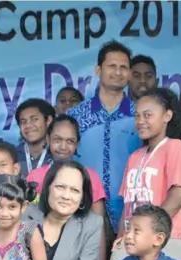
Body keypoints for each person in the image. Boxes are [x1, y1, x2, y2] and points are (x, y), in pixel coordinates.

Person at [67, 40, 140, 231]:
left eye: (123, 67)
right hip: (85, 208)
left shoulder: (140, 115)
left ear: (130, 74)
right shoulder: (76, 115)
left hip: (131, 211)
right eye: (112, 66)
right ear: (98, 70)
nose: (118, 72)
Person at [116, 88, 181, 241]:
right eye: (137, 116)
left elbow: (176, 199)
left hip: (163, 240)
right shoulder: (134, 157)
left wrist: (147, 231)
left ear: (167, 116)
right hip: (134, 242)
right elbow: (127, 207)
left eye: (147, 115)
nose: (140, 121)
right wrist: (119, 242)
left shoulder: (175, 147)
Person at [26, 114, 107, 215]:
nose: (63, 147)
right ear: (48, 139)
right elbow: (27, 219)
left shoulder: (90, 176)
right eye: (57, 140)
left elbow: (99, 223)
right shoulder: (35, 177)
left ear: (77, 144)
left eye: (70, 141)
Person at [15, 98, 55, 177]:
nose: (28, 125)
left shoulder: (58, 154)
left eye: (34, 119)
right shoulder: (12, 156)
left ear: (48, 121)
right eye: (23, 122)